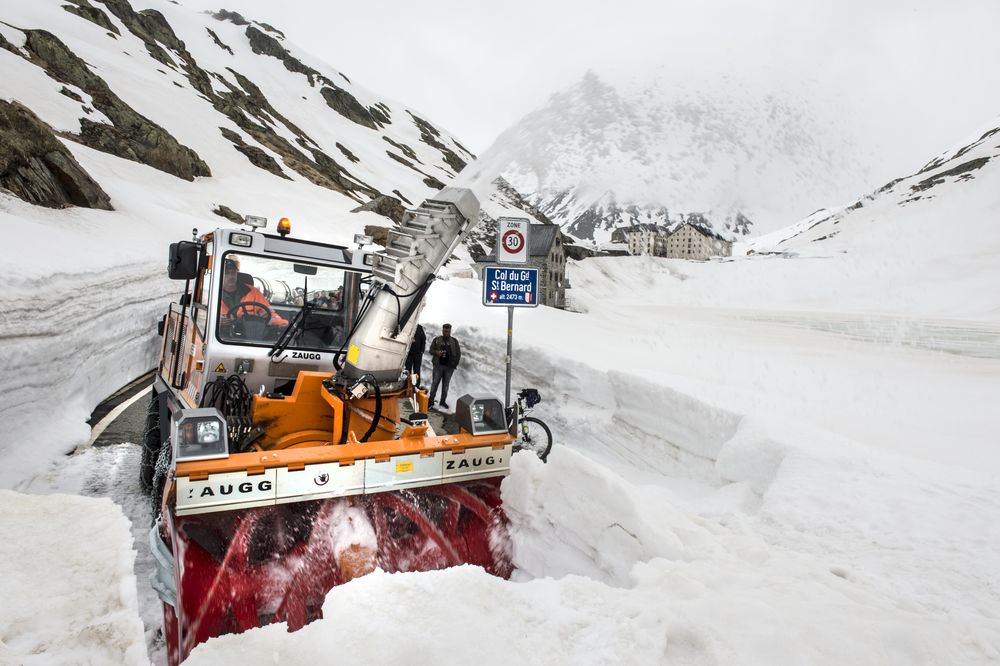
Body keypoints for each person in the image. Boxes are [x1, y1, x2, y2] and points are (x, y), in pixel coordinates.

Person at [219, 256, 288, 329]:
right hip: (220, 335)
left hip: (249, 335)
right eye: (226, 273)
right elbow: (205, 317)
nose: (231, 276)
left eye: (233, 272)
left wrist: (281, 323)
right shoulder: (211, 294)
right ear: (219, 274)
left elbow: (267, 314)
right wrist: (217, 321)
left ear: (237, 273)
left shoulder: (253, 292)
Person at [428, 323, 460, 409]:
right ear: (442, 330)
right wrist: (437, 353)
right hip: (438, 366)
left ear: (450, 331)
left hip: (449, 368)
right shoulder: (437, 340)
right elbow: (430, 350)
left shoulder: (454, 341)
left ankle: (442, 402)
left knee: (445, 385)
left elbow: (458, 354)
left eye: (448, 331)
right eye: (445, 331)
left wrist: (454, 365)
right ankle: (431, 401)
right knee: (435, 383)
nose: (446, 333)